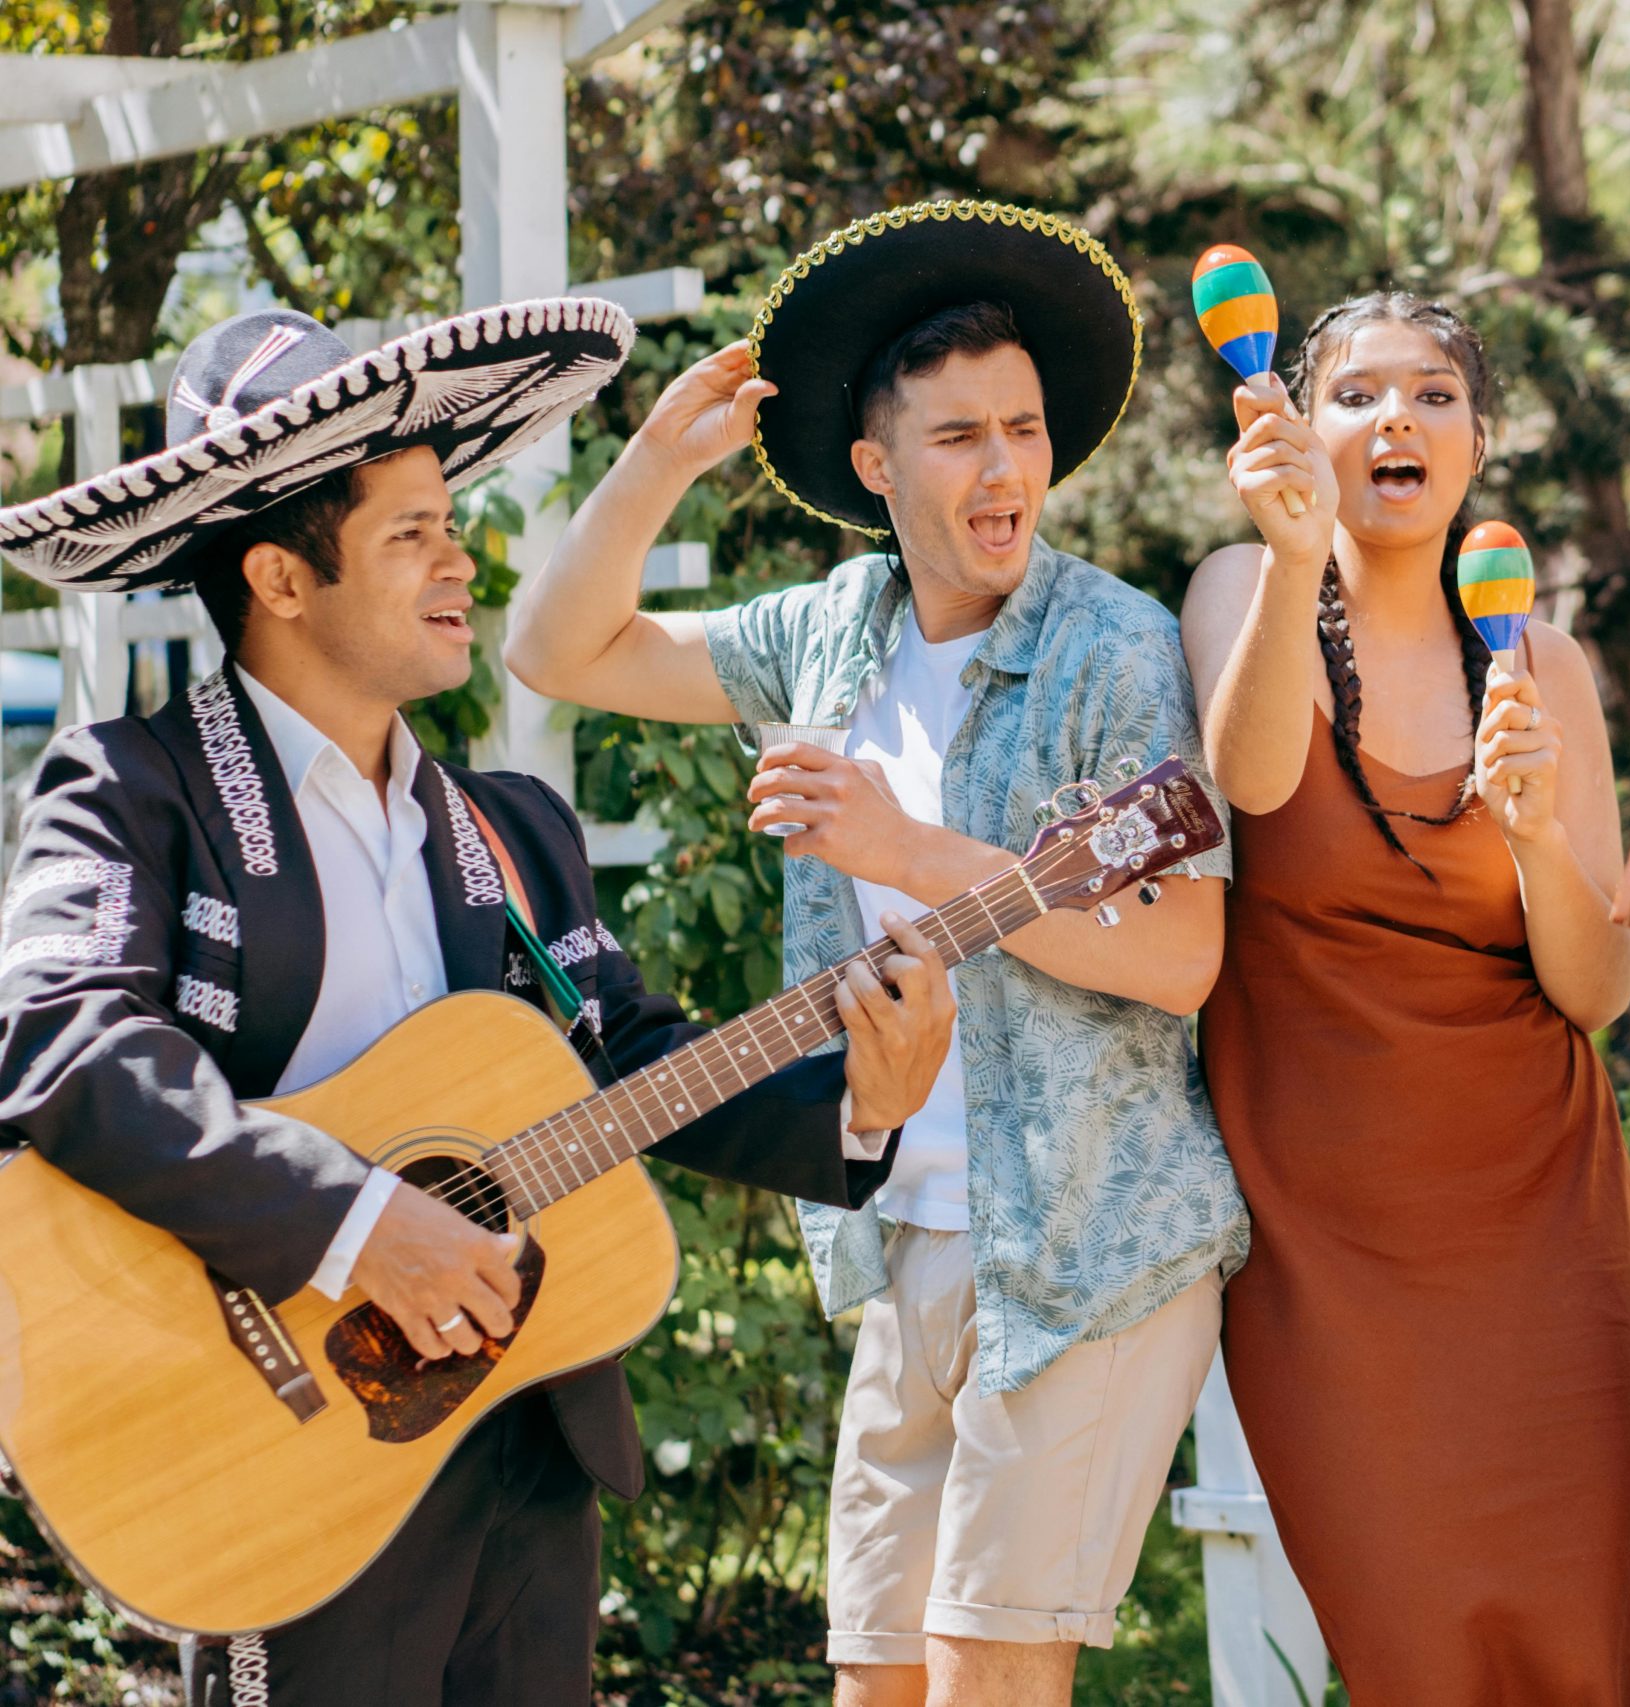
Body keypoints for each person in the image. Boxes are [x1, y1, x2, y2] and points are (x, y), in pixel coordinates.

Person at [0, 300, 956, 1707]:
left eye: (452, 524)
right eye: (412, 535)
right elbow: (65, 1043)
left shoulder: (508, 826)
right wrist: (353, 1218)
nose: (462, 563)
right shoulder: (136, 791)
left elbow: (628, 1060)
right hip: (273, 1437)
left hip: (519, 1426)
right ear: (278, 576)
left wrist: (862, 1113)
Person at [505, 201, 1247, 1707]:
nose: (1005, 471)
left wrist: (906, 851)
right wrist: (656, 464)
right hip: (901, 1235)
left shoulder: (1112, 645)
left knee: (988, 1680)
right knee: (877, 1687)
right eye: (961, 436)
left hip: (1090, 1244)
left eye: (1026, 431)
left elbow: (1183, 954)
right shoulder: (831, 632)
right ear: (876, 466)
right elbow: (553, 652)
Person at [1182, 289, 1630, 1703]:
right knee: (1408, 1640)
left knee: (1578, 1646)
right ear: (1300, 422)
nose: (1395, 417)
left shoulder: (1544, 663)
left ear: (1479, 440)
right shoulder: (1238, 585)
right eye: (1356, 393)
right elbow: (1257, 781)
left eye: (1433, 394)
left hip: (1542, 1223)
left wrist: (1528, 831)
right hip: (1326, 1245)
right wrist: (1288, 555)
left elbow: (1595, 992)